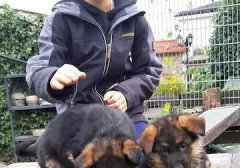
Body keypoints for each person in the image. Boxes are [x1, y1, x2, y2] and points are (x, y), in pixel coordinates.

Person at [26, 0, 162, 139]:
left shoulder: (134, 18)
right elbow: (39, 68)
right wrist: (52, 76)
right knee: (85, 159)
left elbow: (149, 70)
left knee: (141, 154)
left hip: (126, 113)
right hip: (78, 117)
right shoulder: (61, 19)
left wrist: (126, 94)